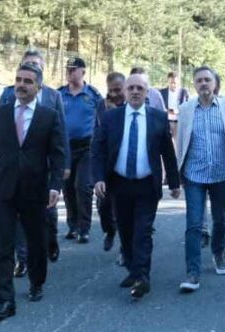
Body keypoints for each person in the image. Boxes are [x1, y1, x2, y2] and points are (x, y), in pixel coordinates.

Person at [0, 63, 65, 321]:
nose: (21, 85)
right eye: (18, 80)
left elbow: (57, 155)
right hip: (3, 189)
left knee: (36, 241)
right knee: (3, 246)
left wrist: (55, 185)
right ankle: (5, 300)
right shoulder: (1, 113)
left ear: (38, 86)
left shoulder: (48, 116)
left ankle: (37, 281)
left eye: (28, 81)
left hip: (35, 190)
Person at [92, 74, 181, 299]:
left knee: (142, 231)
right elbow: (98, 149)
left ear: (147, 92)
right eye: (130, 87)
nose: (134, 92)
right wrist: (99, 178)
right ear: (124, 91)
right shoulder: (111, 117)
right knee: (126, 230)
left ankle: (142, 277)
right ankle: (133, 270)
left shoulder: (158, 118)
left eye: (139, 88)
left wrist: (174, 182)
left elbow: (167, 153)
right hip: (119, 184)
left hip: (147, 184)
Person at [0, 50, 70, 276]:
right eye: (27, 64)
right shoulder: (8, 95)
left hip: (44, 167)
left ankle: (50, 239)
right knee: (18, 218)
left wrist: (64, 165)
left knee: (47, 213)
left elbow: (61, 133)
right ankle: (23, 259)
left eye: (36, 65)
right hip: (14, 171)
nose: (31, 68)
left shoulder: (52, 96)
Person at [175, 65, 225, 292]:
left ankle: (218, 254)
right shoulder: (186, 109)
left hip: (222, 174)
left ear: (215, 83)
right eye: (199, 80)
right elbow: (180, 142)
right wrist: (177, 175)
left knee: (221, 219)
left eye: (207, 79)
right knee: (194, 224)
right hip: (194, 175)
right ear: (194, 84)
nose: (204, 83)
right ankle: (192, 272)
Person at [59, 57, 105, 243]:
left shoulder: (93, 95)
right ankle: (73, 225)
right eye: (68, 69)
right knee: (68, 187)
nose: (70, 72)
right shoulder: (60, 94)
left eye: (74, 69)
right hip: (65, 147)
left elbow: (102, 121)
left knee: (83, 186)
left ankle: (84, 228)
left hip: (87, 147)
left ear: (83, 72)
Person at [98, 72, 126, 253]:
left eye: (118, 90)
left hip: (126, 163)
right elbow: (98, 135)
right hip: (107, 163)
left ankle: (125, 248)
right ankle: (109, 230)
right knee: (103, 205)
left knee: (124, 208)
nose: (114, 94)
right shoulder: (102, 105)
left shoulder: (132, 104)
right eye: (111, 91)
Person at [159, 71, 189, 141]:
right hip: (166, 122)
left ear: (178, 82)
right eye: (171, 83)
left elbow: (187, 107)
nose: (173, 85)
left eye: (175, 83)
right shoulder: (161, 92)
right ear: (167, 82)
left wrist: (174, 111)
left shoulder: (184, 92)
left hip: (179, 122)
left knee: (178, 142)